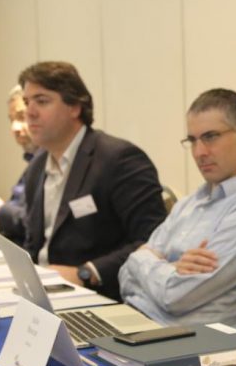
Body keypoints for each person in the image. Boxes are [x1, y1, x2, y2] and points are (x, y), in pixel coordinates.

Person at [118, 89, 236, 328]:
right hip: (133, 321)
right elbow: (124, 277)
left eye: (210, 137)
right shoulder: (191, 202)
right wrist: (168, 269)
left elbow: (175, 297)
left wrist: (142, 258)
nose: (199, 152)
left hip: (180, 341)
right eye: (192, 140)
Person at [19, 61, 166, 300]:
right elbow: (34, 242)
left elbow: (153, 240)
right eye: (27, 102)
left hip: (100, 295)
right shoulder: (37, 166)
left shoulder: (120, 160)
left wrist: (87, 272)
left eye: (42, 101)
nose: (30, 112)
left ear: (75, 107)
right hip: (44, 294)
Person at [0, 85, 39, 243]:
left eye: (21, 117)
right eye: (11, 120)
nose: (14, 128)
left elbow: (35, 225)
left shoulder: (54, 164)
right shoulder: (33, 163)